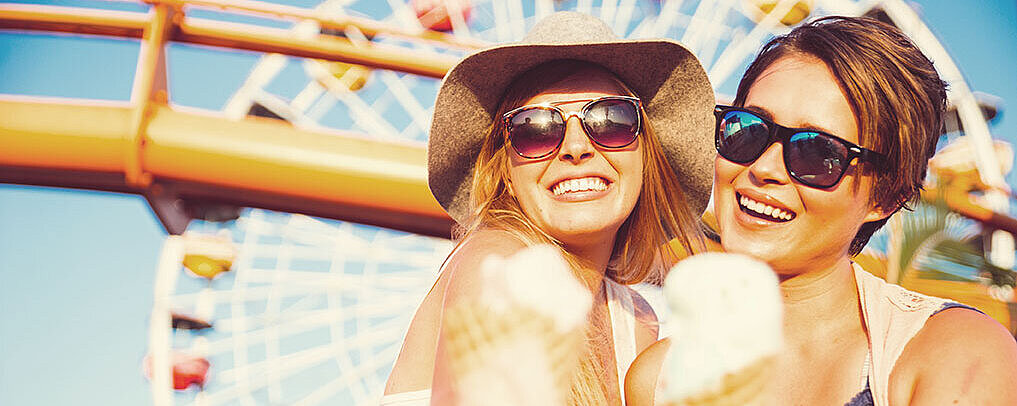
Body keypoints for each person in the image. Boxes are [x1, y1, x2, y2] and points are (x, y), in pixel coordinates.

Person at [625, 16, 1017, 406]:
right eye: (746, 129)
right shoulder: (658, 377)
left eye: (817, 153)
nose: (763, 168)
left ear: (886, 195)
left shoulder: (954, 353)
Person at [381, 11, 717, 405]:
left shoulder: (636, 321)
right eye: (535, 129)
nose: (576, 147)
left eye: (612, 120)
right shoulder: (499, 266)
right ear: (503, 168)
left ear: (648, 155)